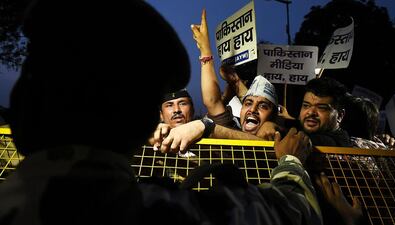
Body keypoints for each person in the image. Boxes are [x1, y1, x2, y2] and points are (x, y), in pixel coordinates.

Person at [0, 1, 324, 224]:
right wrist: (292, 161)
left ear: (22, 102)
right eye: (166, 104)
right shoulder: (167, 214)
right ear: (144, 122)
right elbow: (292, 211)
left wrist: (206, 125)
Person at [191, 9, 280, 140]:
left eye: (263, 106)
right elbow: (212, 101)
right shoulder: (230, 129)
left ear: (273, 116)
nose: (252, 109)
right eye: (248, 103)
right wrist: (205, 50)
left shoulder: (285, 142)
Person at [298, 77, 352, 147]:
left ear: (340, 116)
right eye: (306, 105)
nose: (311, 112)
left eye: (321, 108)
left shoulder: (333, 143)